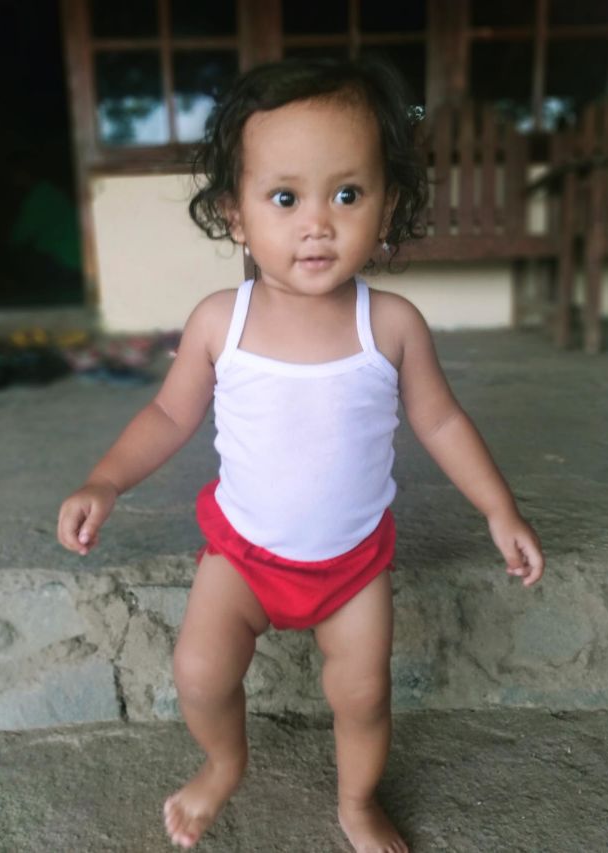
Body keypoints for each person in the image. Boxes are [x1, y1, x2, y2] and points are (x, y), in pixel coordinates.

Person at [57, 58, 544, 853]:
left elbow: (441, 420)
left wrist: (499, 508)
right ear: (236, 214)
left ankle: (356, 802)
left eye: (347, 194)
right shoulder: (220, 320)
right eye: (285, 198)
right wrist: (105, 480)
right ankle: (223, 763)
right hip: (243, 556)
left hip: (351, 567)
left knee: (364, 695)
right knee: (200, 673)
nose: (317, 223)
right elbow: (168, 412)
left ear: (387, 207)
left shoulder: (391, 325)